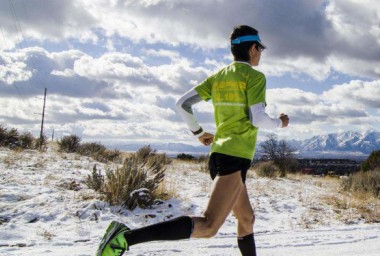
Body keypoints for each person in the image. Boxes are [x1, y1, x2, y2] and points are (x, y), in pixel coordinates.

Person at [96, 25, 289, 256]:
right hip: (234, 157)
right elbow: (258, 119)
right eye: (260, 49)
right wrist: (280, 122)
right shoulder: (255, 77)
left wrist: (199, 133)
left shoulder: (218, 77)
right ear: (254, 48)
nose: (260, 54)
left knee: (246, 218)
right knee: (208, 226)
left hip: (220, 154)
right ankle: (124, 238)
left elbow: (182, 104)